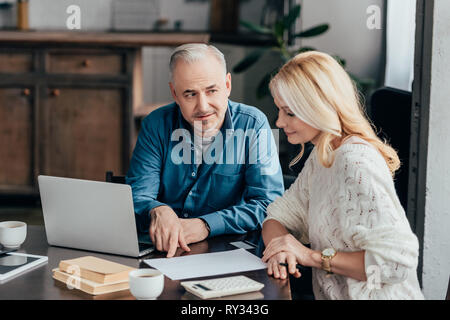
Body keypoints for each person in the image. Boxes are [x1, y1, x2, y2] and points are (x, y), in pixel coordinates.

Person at [261, 51, 424, 299]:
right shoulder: (324, 154)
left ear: (319, 108)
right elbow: (278, 215)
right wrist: (280, 249)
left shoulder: (354, 162)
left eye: (290, 112)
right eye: (279, 111)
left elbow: (397, 263)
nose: (279, 122)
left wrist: (311, 256)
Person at [126, 43, 284, 258]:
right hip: (163, 252)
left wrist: (205, 225)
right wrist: (156, 209)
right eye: (190, 94)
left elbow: (268, 204)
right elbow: (138, 194)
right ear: (174, 93)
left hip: (229, 251)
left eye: (211, 91)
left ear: (227, 85)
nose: (203, 106)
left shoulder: (254, 124)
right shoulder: (156, 124)